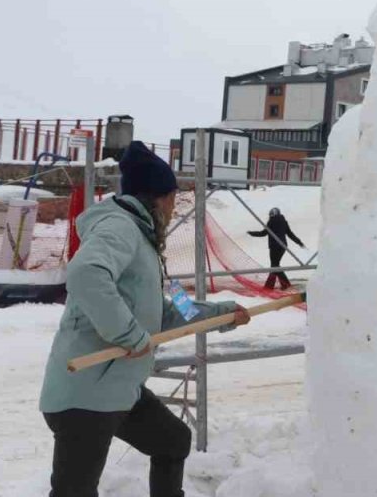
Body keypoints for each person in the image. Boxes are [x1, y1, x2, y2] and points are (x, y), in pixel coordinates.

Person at [39, 141, 251, 497]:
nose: (173, 207)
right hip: (86, 396)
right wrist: (128, 335)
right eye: (172, 198)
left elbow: (167, 309)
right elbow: (86, 274)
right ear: (156, 197)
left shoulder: (144, 240)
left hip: (120, 390)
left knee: (172, 441)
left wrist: (221, 314)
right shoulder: (120, 228)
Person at [248, 208, 306, 291]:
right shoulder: (283, 221)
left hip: (274, 246)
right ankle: (281, 284)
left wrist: (252, 233)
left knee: (274, 266)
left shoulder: (271, 221)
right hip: (283, 246)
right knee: (275, 265)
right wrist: (299, 242)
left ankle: (273, 286)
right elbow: (290, 234)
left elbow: (263, 233)